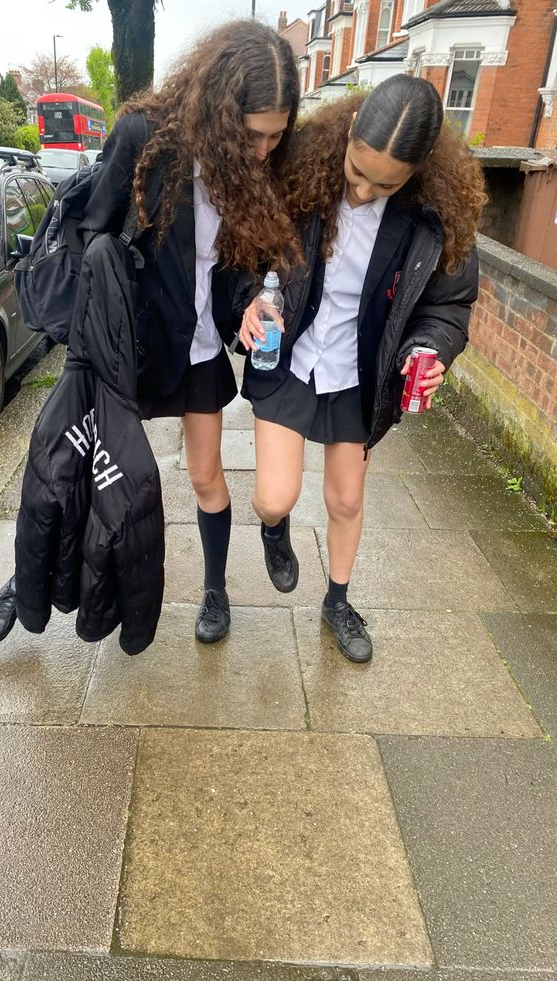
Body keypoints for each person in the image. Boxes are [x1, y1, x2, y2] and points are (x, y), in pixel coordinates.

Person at [0, 19, 301, 647]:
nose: (264, 150)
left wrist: (249, 305)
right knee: (74, 467)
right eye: (254, 134)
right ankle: (25, 580)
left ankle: (214, 590)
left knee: (206, 475)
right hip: (128, 344)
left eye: (276, 135)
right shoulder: (144, 137)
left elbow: (236, 267)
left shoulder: (253, 173)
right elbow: (91, 233)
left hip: (197, 349)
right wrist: (101, 324)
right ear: (220, 108)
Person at [238, 74, 486, 663]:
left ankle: (338, 601)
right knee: (273, 497)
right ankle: (275, 530)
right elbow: (245, 249)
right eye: (357, 171)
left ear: (418, 170)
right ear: (349, 132)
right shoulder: (298, 170)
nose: (365, 191)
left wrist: (428, 351)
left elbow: (448, 308)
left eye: (386, 183)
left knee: (346, 500)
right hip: (290, 357)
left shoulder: (435, 218)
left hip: (360, 373)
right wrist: (249, 300)